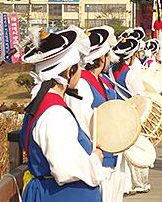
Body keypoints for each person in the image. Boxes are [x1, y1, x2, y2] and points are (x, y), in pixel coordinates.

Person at [20, 28, 105, 202]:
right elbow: (67, 167)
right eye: (78, 67)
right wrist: (95, 158)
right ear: (69, 71)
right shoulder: (55, 113)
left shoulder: (42, 103)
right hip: (61, 195)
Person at [65, 26, 125, 202]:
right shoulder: (82, 84)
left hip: (110, 152)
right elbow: (84, 124)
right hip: (98, 155)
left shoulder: (101, 80)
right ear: (101, 58)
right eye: (107, 54)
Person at [110, 36, 151, 194]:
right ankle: (140, 183)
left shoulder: (112, 71)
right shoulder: (131, 74)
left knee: (121, 150)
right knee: (136, 148)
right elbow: (140, 95)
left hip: (117, 112)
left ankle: (125, 185)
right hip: (131, 112)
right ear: (132, 56)